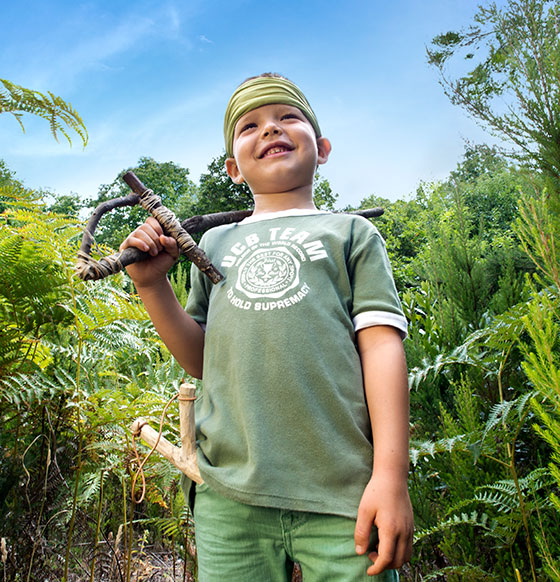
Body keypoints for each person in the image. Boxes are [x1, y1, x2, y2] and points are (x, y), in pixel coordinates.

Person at [120, 73, 414, 581]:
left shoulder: (350, 233)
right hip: (230, 495)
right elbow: (201, 359)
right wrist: (151, 286)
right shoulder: (210, 246)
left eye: (288, 117)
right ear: (234, 167)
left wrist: (390, 478)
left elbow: (383, 350)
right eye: (250, 125)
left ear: (321, 149)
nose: (271, 129)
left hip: (344, 494)